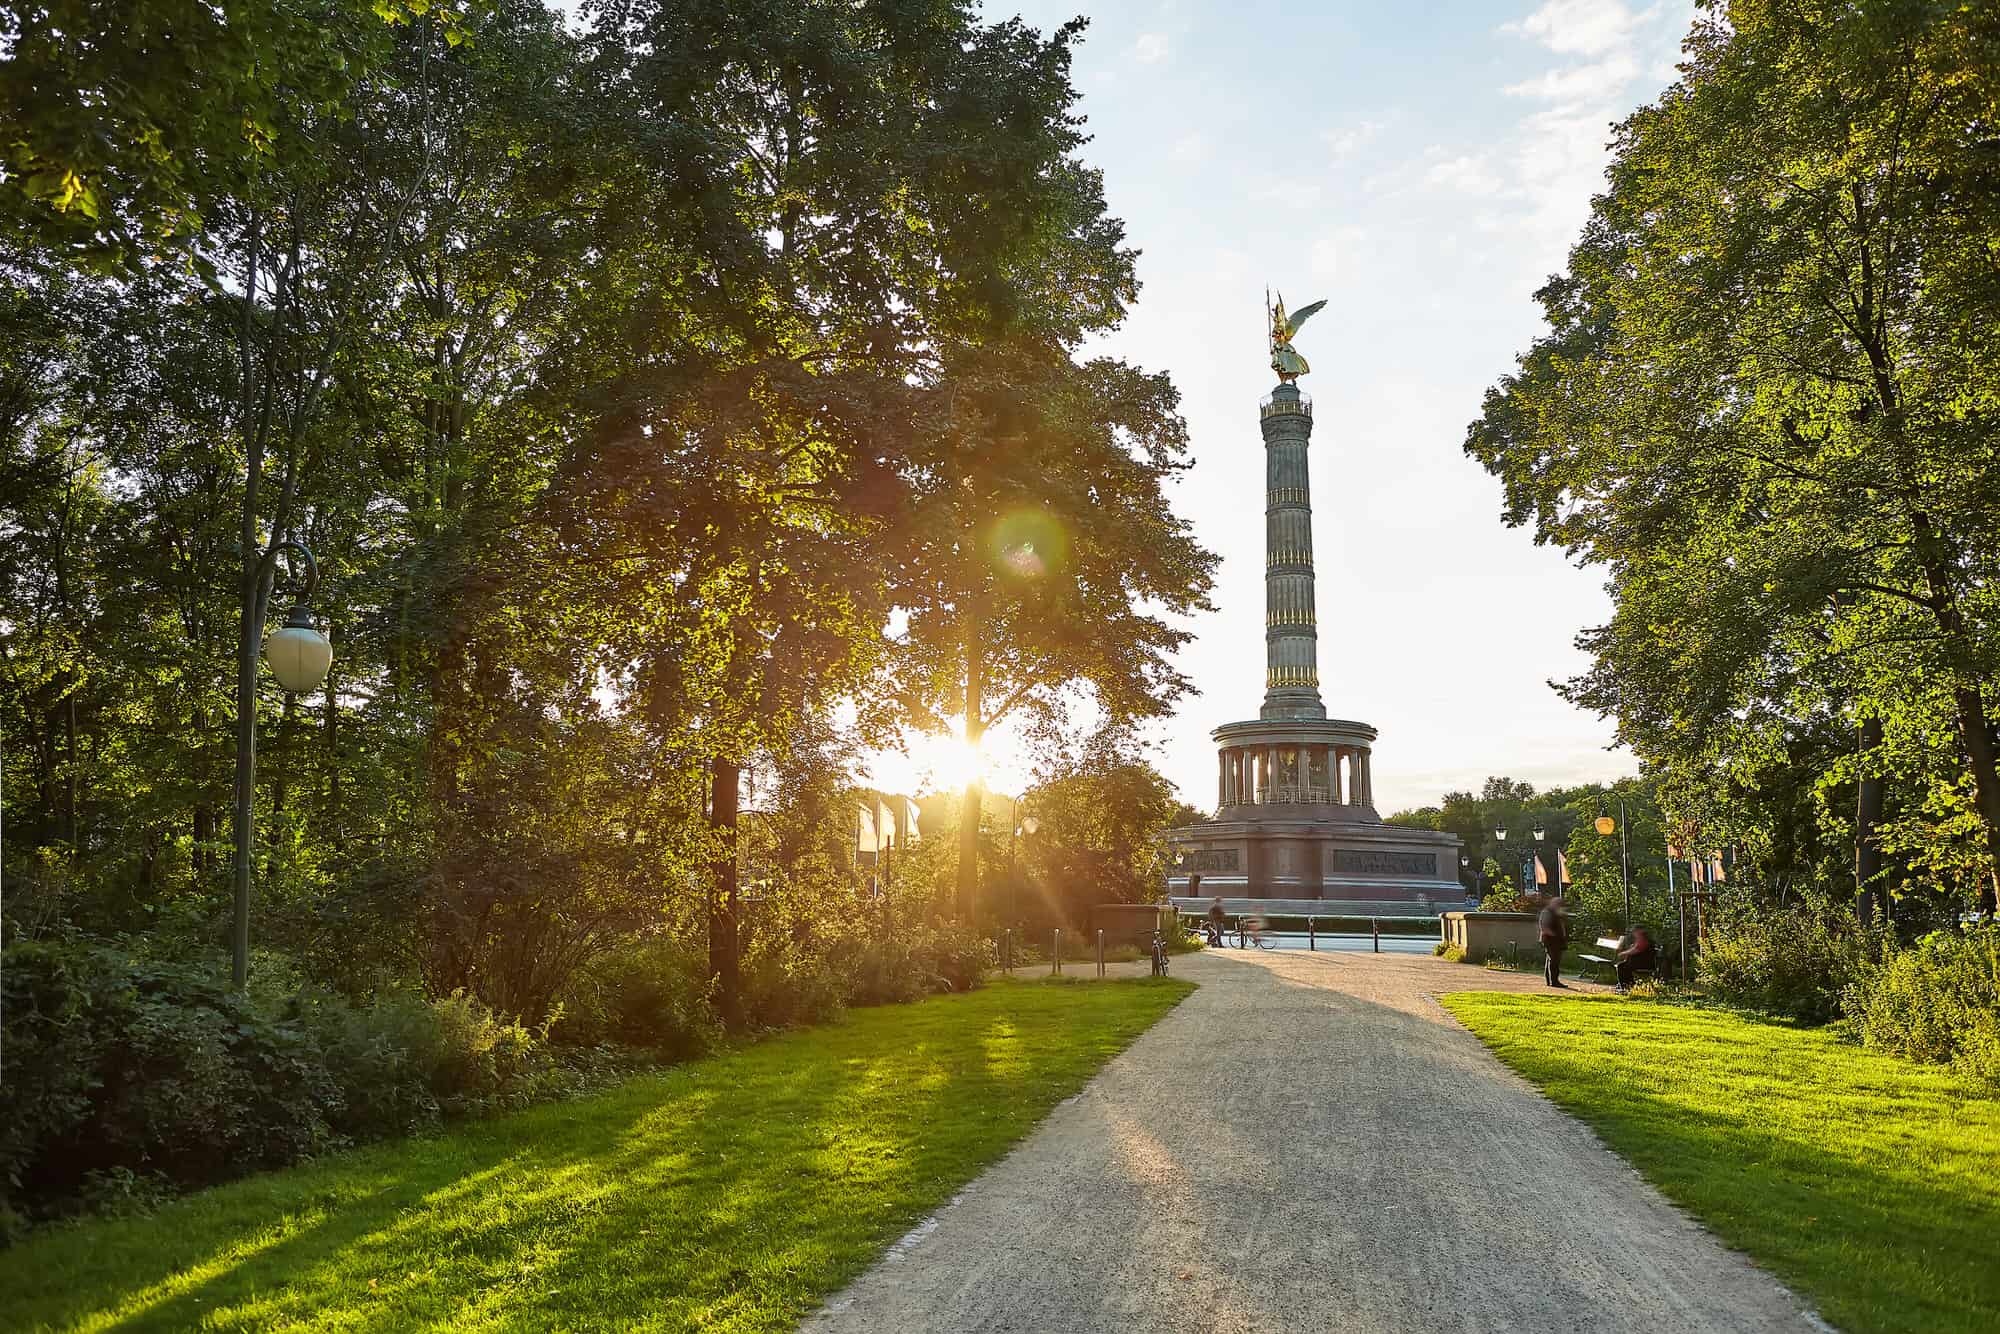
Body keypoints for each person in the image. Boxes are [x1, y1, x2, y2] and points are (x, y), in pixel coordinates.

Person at [1537, 893, 1569, 989]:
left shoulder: (1556, 913)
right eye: (1559, 904)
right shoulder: (1547, 912)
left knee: (1552, 960)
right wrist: (1555, 935)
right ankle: (1554, 981)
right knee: (1553, 960)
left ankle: (1551, 980)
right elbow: (1544, 927)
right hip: (1551, 940)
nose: (1560, 906)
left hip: (1556, 940)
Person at [1615, 925, 1657, 993]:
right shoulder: (1643, 939)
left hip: (1643, 964)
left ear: (1640, 931)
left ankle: (1626, 987)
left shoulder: (1642, 939)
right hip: (1643, 963)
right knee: (1623, 966)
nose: (1634, 933)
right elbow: (1635, 948)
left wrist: (1623, 953)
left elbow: (1637, 949)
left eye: (1635, 931)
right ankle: (1628, 986)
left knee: (1621, 966)